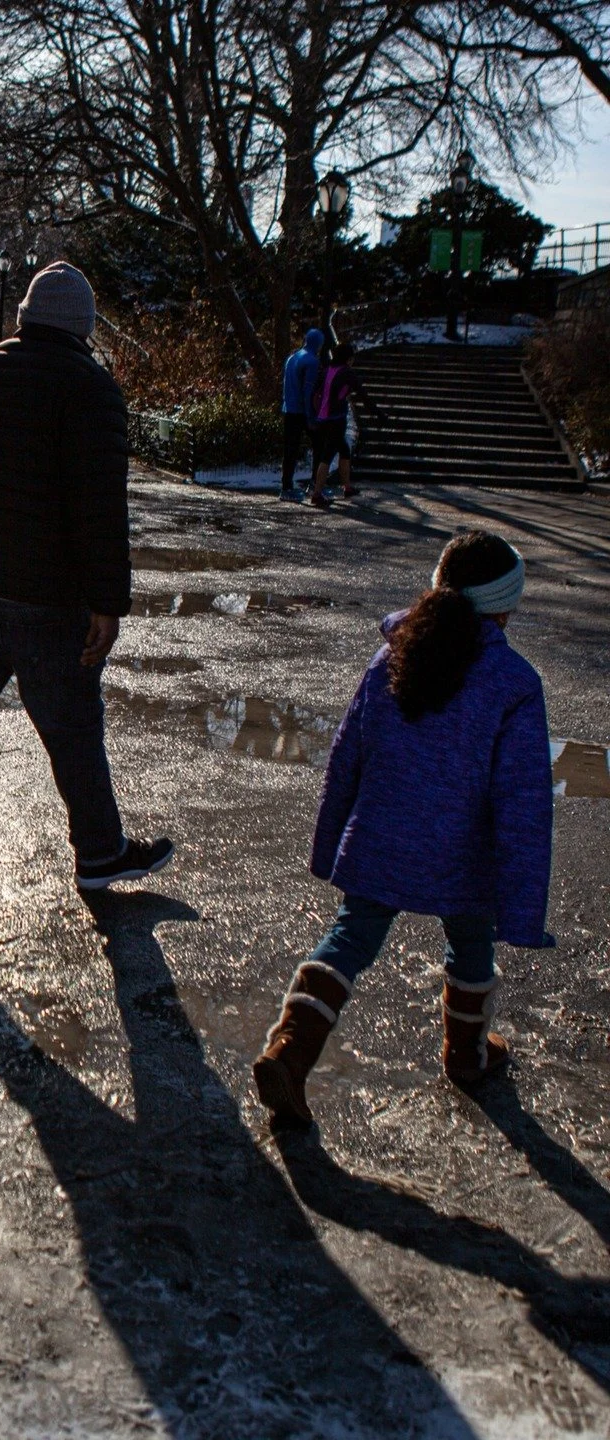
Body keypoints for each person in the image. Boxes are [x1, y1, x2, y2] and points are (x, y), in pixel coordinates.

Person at [0, 261, 174, 913]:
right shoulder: (89, 387)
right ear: (83, 325)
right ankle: (100, 853)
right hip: (46, 596)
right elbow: (99, 506)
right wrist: (107, 602)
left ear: (25, 316)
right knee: (72, 727)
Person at [253, 531, 553, 1128]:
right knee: (471, 943)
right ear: (505, 604)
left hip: (381, 835)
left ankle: (290, 1049)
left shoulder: (394, 653)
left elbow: (348, 754)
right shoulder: (514, 683)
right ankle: (466, 1057)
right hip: (463, 852)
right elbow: (522, 800)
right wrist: (523, 907)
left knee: (352, 936)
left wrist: (334, 838)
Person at [307, 340, 382, 509]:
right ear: (348, 358)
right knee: (327, 455)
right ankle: (317, 494)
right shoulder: (347, 373)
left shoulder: (326, 370)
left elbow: (314, 392)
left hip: (323, 418)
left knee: (344, 450)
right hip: (336, 419)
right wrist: (378, 414)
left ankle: (347, 487)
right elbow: (363, 395)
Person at [279, 328, 323, 501]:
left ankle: (286, 486)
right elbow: (308, 390)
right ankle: (315, 483)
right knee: (319, 445)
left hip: (288, 408)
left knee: (289, 449)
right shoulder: (312, 361)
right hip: (302, 411)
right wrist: (311, 416)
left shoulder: (292, 358)